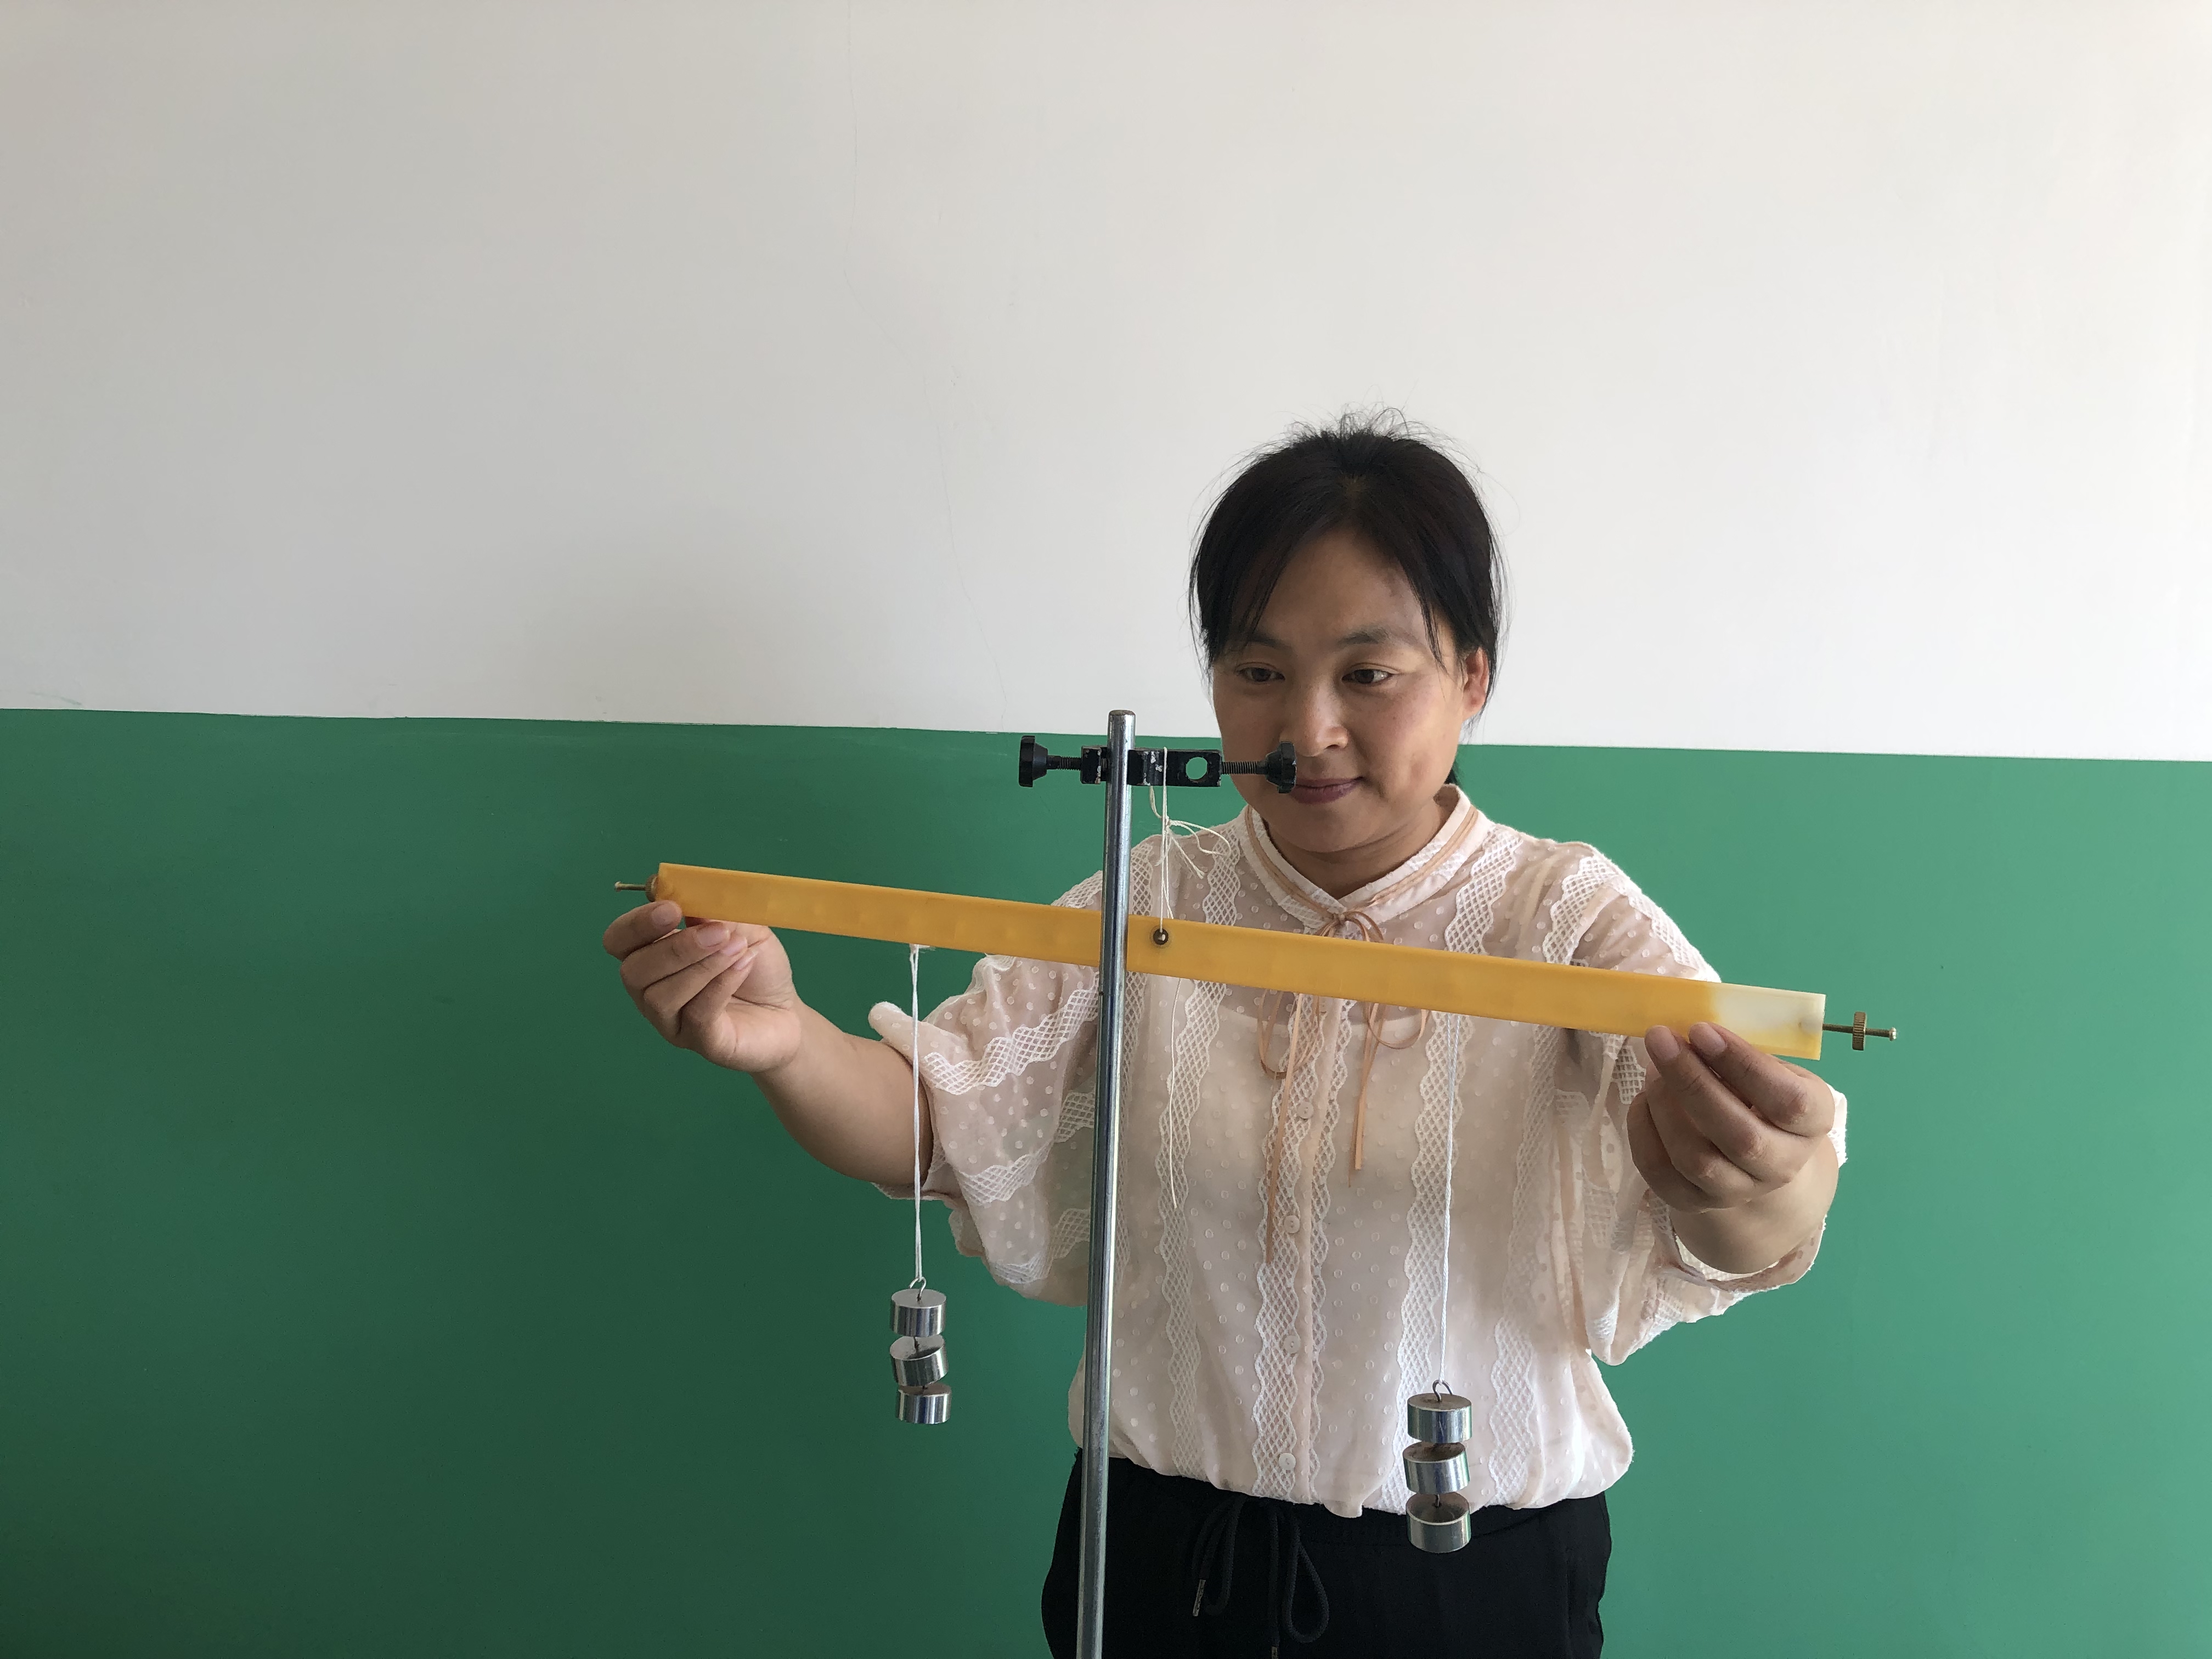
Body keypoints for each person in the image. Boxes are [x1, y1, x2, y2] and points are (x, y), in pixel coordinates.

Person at [600, 413, 1844, 1657]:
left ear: (1471, 678)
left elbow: (1753, 1210)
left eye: (1369, 674)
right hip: (1159, 1561)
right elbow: (940, 1116)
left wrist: (1760, 1178)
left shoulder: (1561, 915)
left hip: (1467, 1584)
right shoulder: (1151, 900)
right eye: (1257, 673)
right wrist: (786, 1040)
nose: (1309, 728)